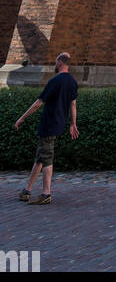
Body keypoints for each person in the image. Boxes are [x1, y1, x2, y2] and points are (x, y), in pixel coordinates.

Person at [14, 52, 79, 204]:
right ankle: (27, 191)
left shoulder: (55, 81)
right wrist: (73, 124)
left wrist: (22, 118)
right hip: (59, 123)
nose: (55, 65)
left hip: (49, 123)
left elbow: (38, 103)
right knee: (40, 158)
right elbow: (73, 104)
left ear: (60, 63)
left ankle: (46, 194)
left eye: (56, 62)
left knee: (47, 158)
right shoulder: (72, 82)